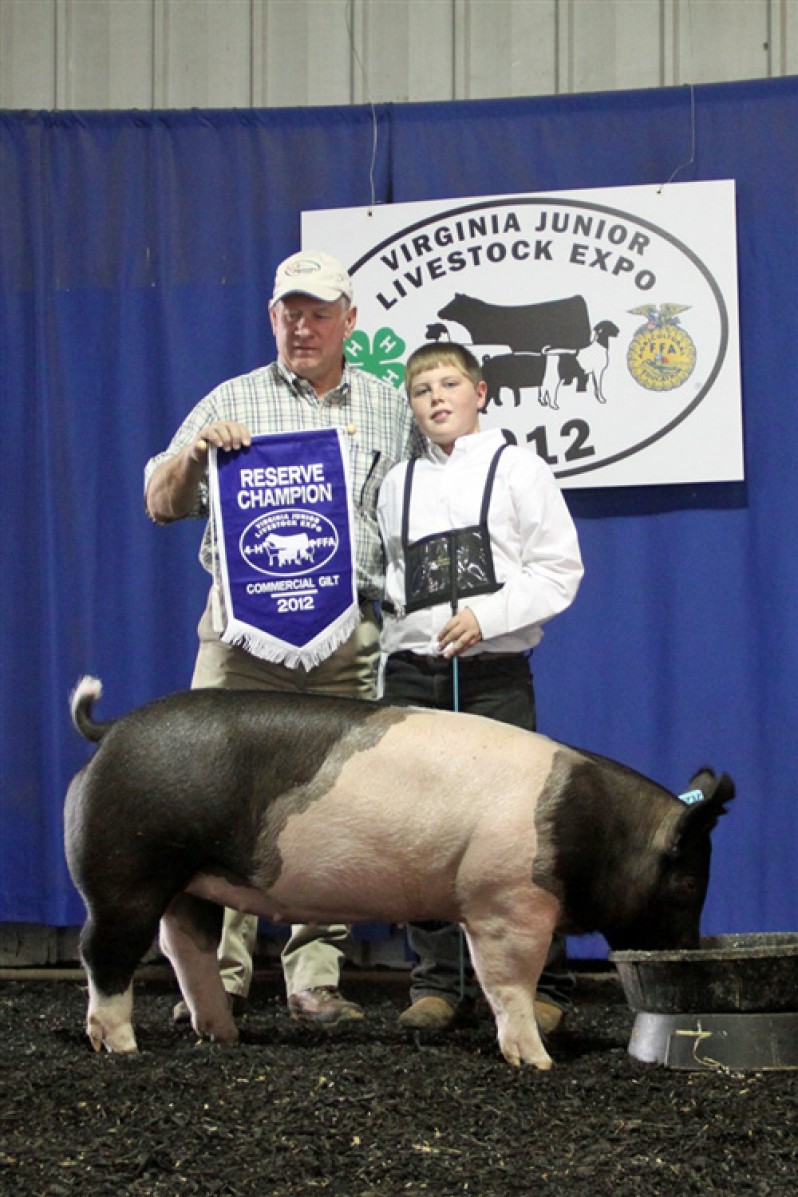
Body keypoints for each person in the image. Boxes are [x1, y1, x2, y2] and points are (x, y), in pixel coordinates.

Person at [144, 250, 417, 1027]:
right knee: (215, 800)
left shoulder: (390, 408)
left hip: (347, 636)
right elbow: (160, 503)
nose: (303, 325)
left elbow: (414, 515)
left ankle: (314, 979)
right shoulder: (230, 400)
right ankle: (222, 977)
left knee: (337, 801)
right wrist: (195, 456)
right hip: (240, 637)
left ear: (349, 322)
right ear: (272, 318)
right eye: (289, 311)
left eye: (318, 312)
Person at [377, 341, 584, 1035]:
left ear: (481, 392)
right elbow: (392, 582)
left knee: (516, 832)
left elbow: (559, 570)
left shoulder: (521, 469)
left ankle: (539, 984)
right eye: (421, 390)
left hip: (493, 673)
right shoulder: (395, 482)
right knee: (416, 829)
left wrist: (485, 615)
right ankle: (436, 982)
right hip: (412, 672)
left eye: (449, 384)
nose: (436, 397)